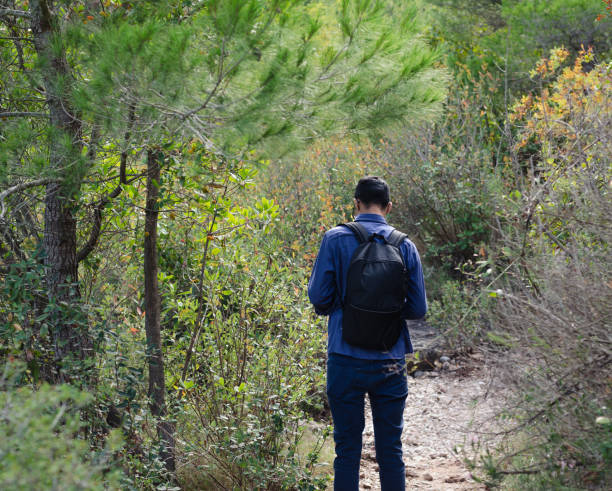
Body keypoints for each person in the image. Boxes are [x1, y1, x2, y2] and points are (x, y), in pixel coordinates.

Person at [308, 176, 427, 490]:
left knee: (347, 449)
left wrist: (343, 306)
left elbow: (319, 299)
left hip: (344, 357)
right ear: (388, 207)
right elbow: (418, 309)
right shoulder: (405, 245)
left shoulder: (335, 239)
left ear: (356, 203)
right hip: (390, 359)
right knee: (390, 450)